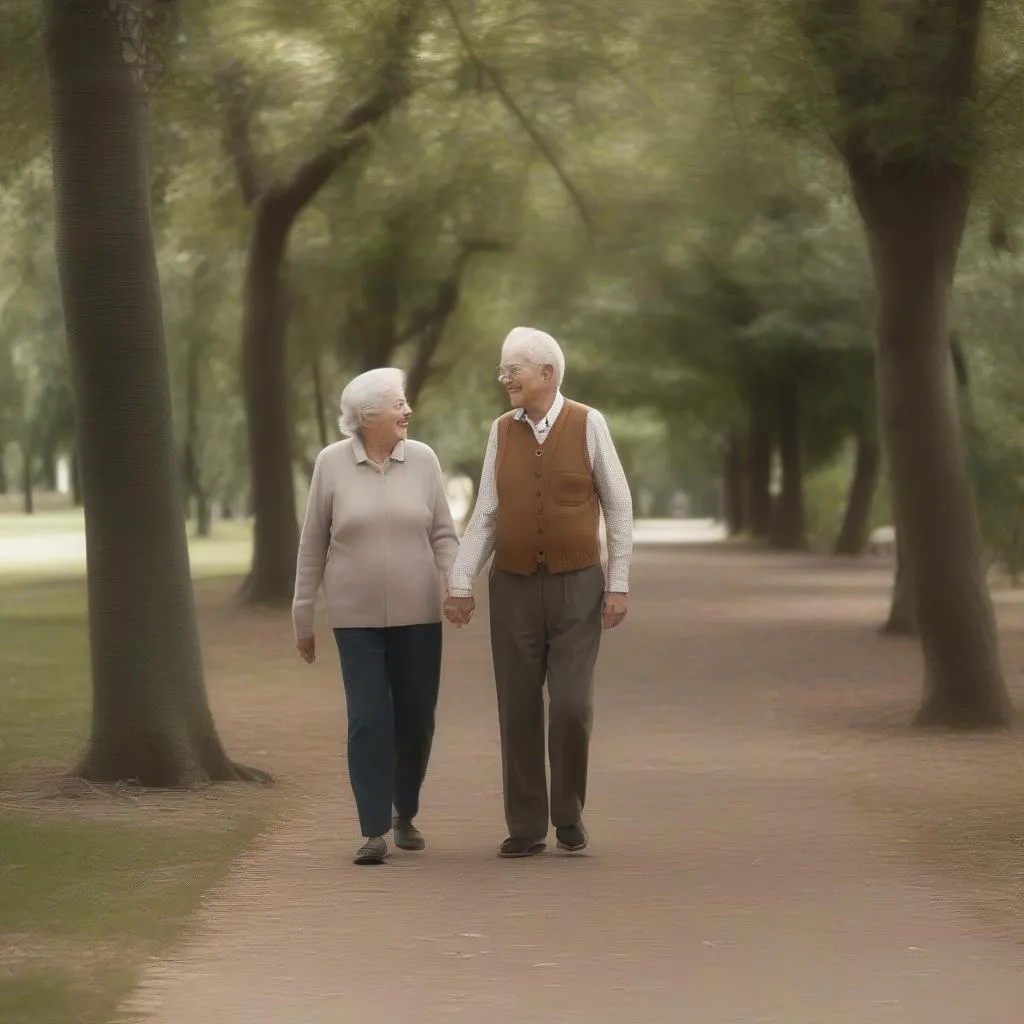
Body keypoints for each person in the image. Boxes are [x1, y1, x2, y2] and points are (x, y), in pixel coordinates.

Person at [445, 327, 633, 858]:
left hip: (578, 586)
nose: (504, 378)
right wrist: (461, 581)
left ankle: (568, 813)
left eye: (514, 370)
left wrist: (618, 582)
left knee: (571, 704)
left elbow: (618, 505)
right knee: (518, 704)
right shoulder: (501, 431)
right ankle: (526, 825)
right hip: (513, 587)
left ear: (547, 374)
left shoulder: (588, 423)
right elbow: (486, 510)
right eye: (504, 370)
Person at [293, 367, 459, 865]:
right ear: (368, 417)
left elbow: (445, 536)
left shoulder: (425, 461)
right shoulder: (331, 464)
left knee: (416, 720)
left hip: (419, 616)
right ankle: (372, 830)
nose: (408, 411)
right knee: (368, 718)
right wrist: (303, 614)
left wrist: (459, 585)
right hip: (354, 617)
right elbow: (312, 545)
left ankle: (404, 810)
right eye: (398, 404)